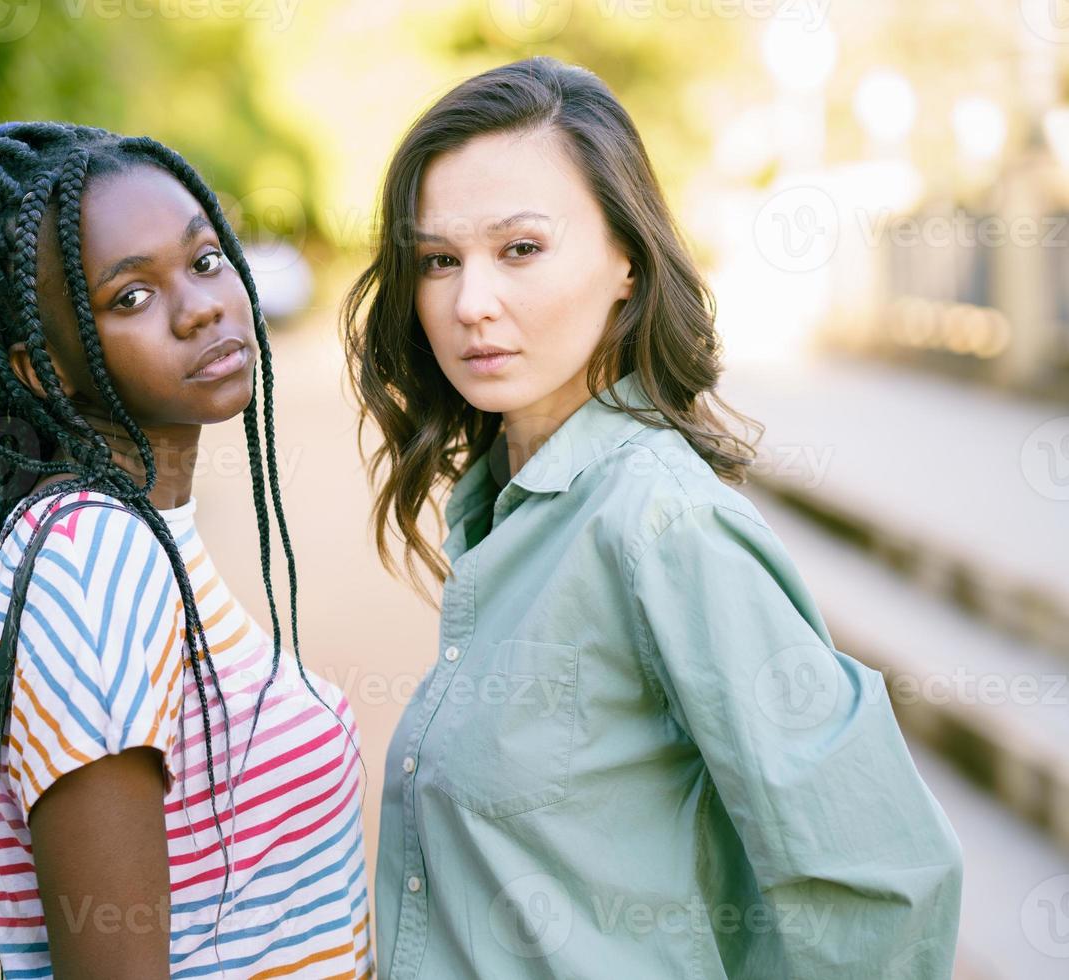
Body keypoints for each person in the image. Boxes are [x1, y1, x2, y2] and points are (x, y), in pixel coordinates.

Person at [341, 58, 963, 979]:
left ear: (626, 260)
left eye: (520, 249)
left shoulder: (661, 527)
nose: (471, 302)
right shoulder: (505, 509)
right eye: (440, 260)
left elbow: (882, 881)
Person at [0, 121, 372, 979]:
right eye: (130, 297)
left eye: (205, 260)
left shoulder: (127, 537)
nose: (203, 305)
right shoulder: (93, 563)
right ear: (42, 370)